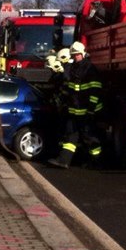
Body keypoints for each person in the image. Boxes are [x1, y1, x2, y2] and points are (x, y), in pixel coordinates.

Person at [48, 41, 103, 169]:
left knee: (89, 137)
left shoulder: (90, 69)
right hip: (74, 110)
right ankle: (63, 161)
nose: (75, 57)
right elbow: (70, 88)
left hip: (86, 111)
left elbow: (95, 90)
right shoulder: (72, 68)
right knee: (71, 136)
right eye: (74, 55)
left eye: (77, 54)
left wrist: (91, 109)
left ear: (82, 54)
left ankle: (97, 161)